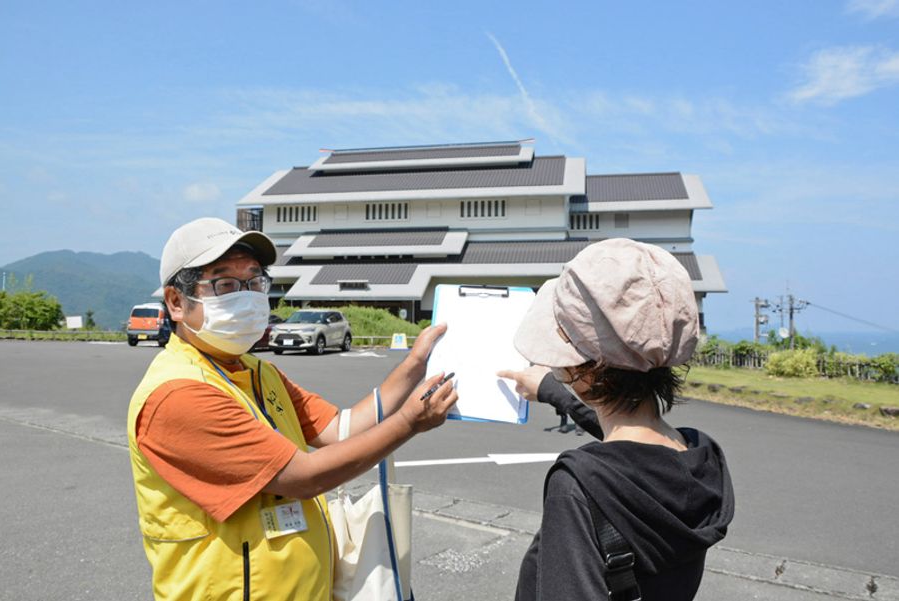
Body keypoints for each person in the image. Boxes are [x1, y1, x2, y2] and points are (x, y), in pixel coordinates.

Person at [127, 217, 458, 601]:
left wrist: (414, 365)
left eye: (254, 281)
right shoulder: (178, 394)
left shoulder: (258, 371)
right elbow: (303, 477)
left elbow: (341, 427)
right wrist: (409, 423)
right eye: (225, 284)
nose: (247, 295)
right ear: (176, 302)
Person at [498, 238, 734, 601]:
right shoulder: (697, 458)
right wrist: (550, 388)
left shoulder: (581, 485)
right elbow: (627, 436)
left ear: (588, 373)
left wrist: (555, 388)